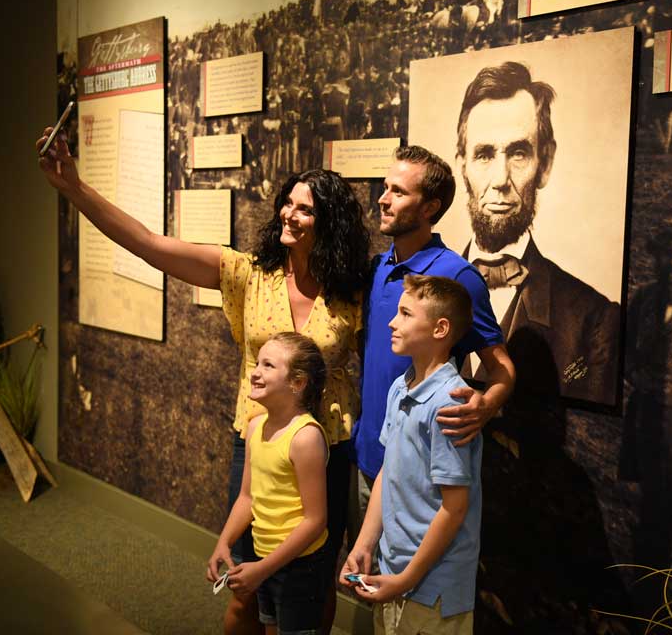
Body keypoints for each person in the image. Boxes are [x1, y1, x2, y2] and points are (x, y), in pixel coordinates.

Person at [36, 130, 369, 635]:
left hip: (327, 445)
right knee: (243, 589)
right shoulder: (249, 274)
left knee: (314, 583)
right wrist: (74, 189)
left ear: (330, 226)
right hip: (258, 440)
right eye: (287, 203)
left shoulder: (352, 291)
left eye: (304, 209)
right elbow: (148, 244)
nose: (288, 214)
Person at [350, 145, 514, 546]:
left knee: (411, 588)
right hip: (369, 454)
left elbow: (501, 367)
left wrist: (486, 406)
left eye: (398, 192)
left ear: (430, 207)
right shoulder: (377, 269)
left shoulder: (457, 277)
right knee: (366, 576)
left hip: (419, 470)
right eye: (385, 188)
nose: (383, 200)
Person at [455, 60, 620, 407]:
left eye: (518, 153)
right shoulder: (421, 288)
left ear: (544, 164)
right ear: (462, 166)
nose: (500, 179)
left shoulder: (592, 319)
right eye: (484, 155)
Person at [342, 275, 482, 635]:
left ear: (440, 328)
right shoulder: (400, 386)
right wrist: (364, 544)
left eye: (405, 313)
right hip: (394, 569)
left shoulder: (451, 403)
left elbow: (454, 508)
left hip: (432, 585)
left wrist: (408, 579)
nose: (392, 322)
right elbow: (388, 473)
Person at [207, 332, 332, 635]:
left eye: (268, 365)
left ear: (298, 382)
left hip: (299, 565)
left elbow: (315, 521)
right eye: (257, 363)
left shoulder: (305, 437)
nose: (255, 372)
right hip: (263, 556)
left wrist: (263, 569)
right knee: (270, 628)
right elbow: (247, 498)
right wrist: (224, 541)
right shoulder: (253, 427)